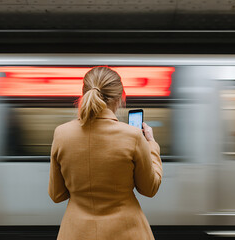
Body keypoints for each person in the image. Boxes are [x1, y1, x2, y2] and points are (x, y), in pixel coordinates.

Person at [48, 66, 163, 240]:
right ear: (120, 98)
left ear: (83, 95)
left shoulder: (62, 134)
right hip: (127, 232)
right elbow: (149, 188)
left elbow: (57, 195)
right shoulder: (133, 136)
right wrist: (152, 145)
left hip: (76, 232)